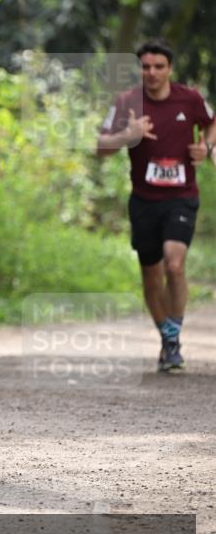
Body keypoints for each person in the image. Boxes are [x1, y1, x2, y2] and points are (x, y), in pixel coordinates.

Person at [97, 39, 215, 372]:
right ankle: (167, 338)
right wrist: (128, 135)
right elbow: (101, 146)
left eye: (158, 67)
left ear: (169, 69)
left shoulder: (190, 99)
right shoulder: (127, 102)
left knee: (174, 265)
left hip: (181, 196)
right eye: (146, 67)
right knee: (151, 275)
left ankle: (173, 335)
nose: (152, 73)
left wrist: (206, 147)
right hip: (144, 201)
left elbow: (212, 121)